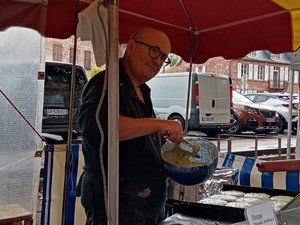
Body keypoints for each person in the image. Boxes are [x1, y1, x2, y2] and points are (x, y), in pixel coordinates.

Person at [76, 27, 184, 225]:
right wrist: (158, 124)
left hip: (147, 206)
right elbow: (97, 126)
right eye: (154, 51)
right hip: (115, 205)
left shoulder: (143, 90)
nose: (158, 61)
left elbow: (142, 138)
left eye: (163, 57)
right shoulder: (105, 83)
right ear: (132, 46)